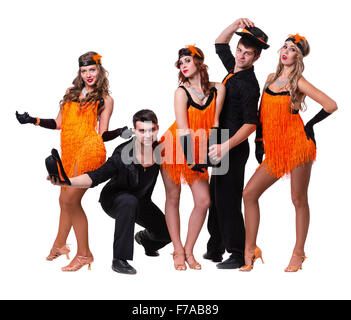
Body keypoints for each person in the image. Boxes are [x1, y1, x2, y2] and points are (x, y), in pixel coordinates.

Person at [16, 52, 129, 271]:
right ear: (80, 71)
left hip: (90, 148)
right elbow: (59, 123)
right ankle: (60, 245)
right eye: (84, 70)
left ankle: (84, 254)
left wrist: (120, 132)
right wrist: (33, 120)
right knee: (64, 200)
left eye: (92, 70)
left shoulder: (105, 99)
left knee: (71, 201)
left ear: (99, 70)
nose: (88, 74)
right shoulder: (70, 92)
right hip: (69, 151)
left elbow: (102, 133)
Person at [240, 34, 338, 272]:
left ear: (299, 56)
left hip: (297, 146)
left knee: (298, 199)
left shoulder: (298, 82)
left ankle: (298, 252)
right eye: (284, 47)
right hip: (275, 149)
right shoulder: (270, 78)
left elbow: (330, 105)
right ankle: (250, 249)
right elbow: (262, 113)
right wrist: (259, 142)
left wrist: (310, 125)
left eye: (292, 49)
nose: (286, 51)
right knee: (249, 194)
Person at [48, 109, 171, 275]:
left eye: (152, 130)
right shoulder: (123, 154)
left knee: (167, 233)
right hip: (115, 200)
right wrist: (68, 182)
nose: (148, 135)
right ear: (134, 131)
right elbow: (96, 176)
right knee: (129, 201)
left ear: (157, 129)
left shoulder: (161, 151)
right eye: (142, 131)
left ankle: (144, 239)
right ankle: (119, 260)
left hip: (142, 201)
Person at [204, 18, 269, 269]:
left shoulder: (248, 84)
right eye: (240, 50)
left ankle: (238, 252)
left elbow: (250, 125)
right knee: (215, 196)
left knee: (229, 200)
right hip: (219, 145)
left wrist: (225, 146)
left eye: (247, 53)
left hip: (233, 147)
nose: (241, 55)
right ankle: (215, 247)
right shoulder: (233, 69)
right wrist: (235, 24)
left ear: (256, 58)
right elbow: (221, 43)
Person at [160, 45, 225, 271]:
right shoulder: (181, 92)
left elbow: (216, 122)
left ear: (199, 62)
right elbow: (184, 129)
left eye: (187, 61)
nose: (183, 66)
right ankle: (177, 250)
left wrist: (212, 156)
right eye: (181, 63)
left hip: (200, 147)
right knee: (173, 198)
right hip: (175, 147)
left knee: (203, 201)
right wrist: (191, 159)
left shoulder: (217, 89)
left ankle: (189, 249)